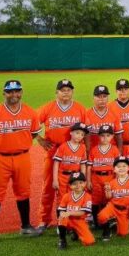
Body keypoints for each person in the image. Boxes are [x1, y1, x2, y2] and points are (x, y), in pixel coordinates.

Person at [0, 79, 41, 245]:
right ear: (4, 93)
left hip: (22, 157)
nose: (14, 94)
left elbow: (34, 133)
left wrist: (19, 142)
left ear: (21, 92)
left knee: (24, 191)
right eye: (10, 91)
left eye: (17, 91)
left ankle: (25, 226)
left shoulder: (30, 112)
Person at [36, 78, 85, 231]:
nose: (65, 93)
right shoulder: (47, 108)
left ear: (72, 92)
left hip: (74, 152)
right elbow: (31, 123)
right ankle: (43, 220)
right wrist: (40, 140)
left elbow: (87, 131)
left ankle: (73, 219)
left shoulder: (79, 108)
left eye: (68, 90)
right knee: (49, 186)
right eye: (62, 90)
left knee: (75, 186)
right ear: (57, 92)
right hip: (53, 150)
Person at [97, 157, 129, 240]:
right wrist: (108, 190)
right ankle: (107, 230)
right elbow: (109, 197)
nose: (121, 168)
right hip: (113, 206)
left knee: (123, 233)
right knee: (101, 216)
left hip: (125, 209)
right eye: (118, 166)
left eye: (124, 166)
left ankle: (114, 223)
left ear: (128, 168)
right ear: (114, 169)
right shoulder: (112, 182)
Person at [52, 123, 89, 211]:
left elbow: (83, 165)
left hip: (75, 178)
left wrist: (83, 180)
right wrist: (55, 180)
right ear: (71, 132)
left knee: (73, 198)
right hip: (62, 177)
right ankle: (61, 219)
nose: (79, 136)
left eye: (82, 134)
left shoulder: (82, 147)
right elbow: (56, 163)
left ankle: (70, 218)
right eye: (77, 133)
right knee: (61, 199)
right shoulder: (63, 146)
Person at [88, 126, 120, 222]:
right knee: (95, 200)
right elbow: (89, 167)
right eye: (102, 135)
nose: (105, 138)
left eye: (108, 135)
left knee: (109, 198)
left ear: (112, 136)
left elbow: (118, 166)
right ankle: (95, 221)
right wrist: (88, 180)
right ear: (98, 136)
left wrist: (117, 180)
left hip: (110, 177)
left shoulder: (115, 149)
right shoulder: (94, 150)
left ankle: (107, 219)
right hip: (96, 177)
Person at [55, 172, 95, 250]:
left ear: (85, 183)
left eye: (80, 182)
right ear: (70, 186)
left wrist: (69, 213)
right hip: (69, 220)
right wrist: (63, 214)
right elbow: (61, 210)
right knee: (62, 218)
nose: (78, 185)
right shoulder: (66, 196)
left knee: (89, 241)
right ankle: (62, 240)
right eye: (74, 184)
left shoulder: (87, 196)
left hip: (80, 221)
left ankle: (76, 232)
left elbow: (83, 212)